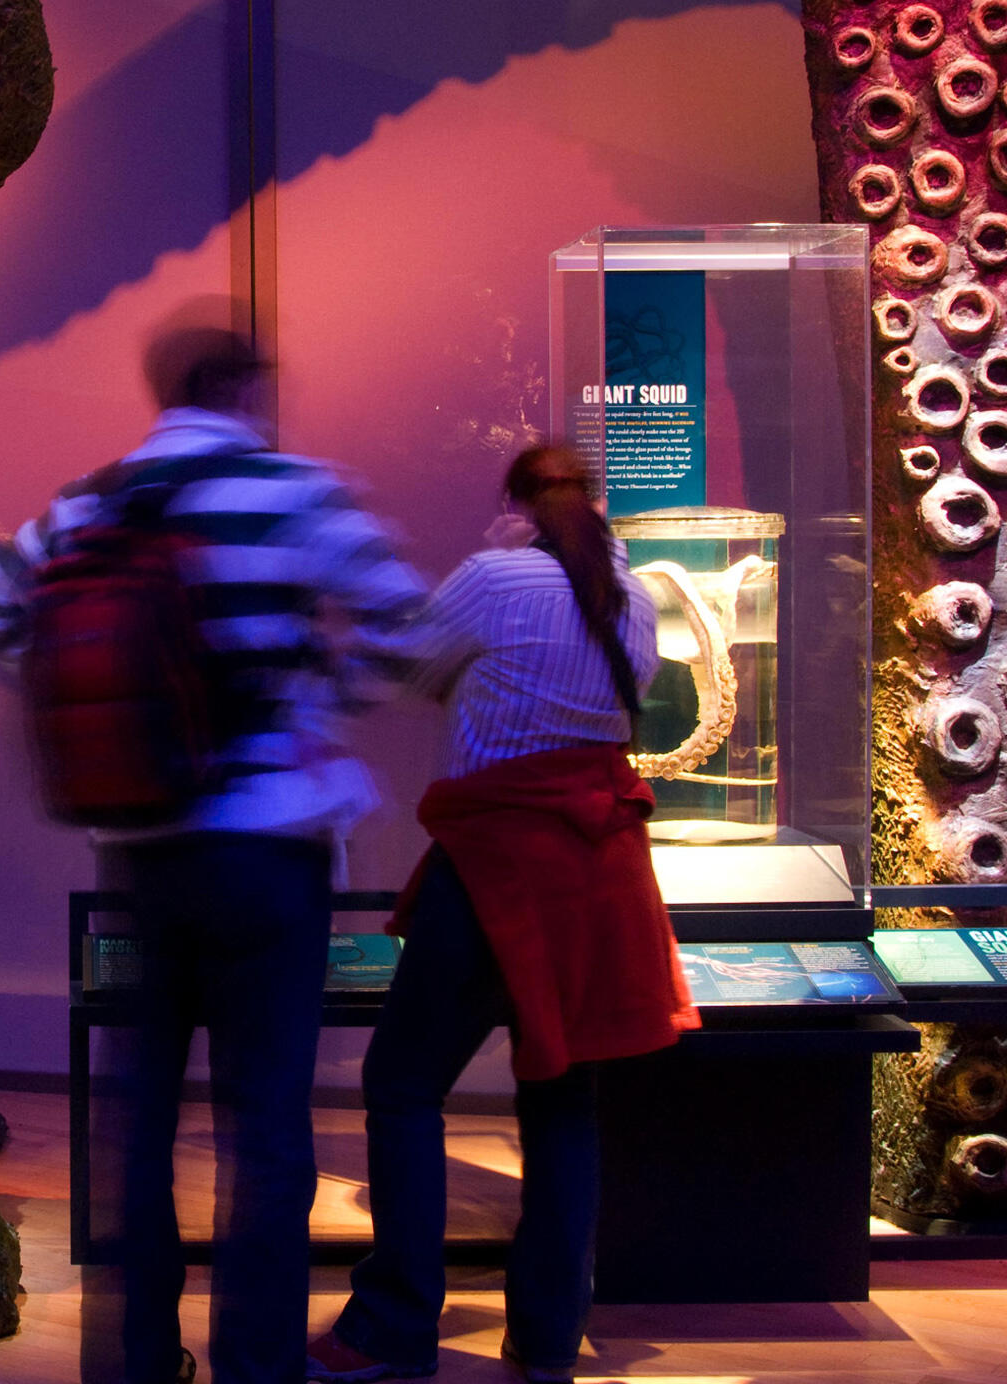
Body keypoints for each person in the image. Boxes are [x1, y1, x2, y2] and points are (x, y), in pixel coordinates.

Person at [0, 313, 427, 1384]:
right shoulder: (296, 489)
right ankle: (258, 1366)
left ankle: (135, 1363)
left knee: (140, 1122)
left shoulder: (96, 498)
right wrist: (320, 702)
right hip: (271, 852)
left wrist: (108, 706)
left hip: (141, 851)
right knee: (264, 1129)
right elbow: (410, 621)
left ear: (162, 389)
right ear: (248, 391)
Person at [303, 443, 699, 1384]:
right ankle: (550, 1338)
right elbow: (628, 701)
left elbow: (415, 669)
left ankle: (396, 1322)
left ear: (517, 502)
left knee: (403, 1085)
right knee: (564, 1103)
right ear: (594, 502)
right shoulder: (633, 597)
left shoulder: (493, 575)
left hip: (493, 867)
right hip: (594, 874)